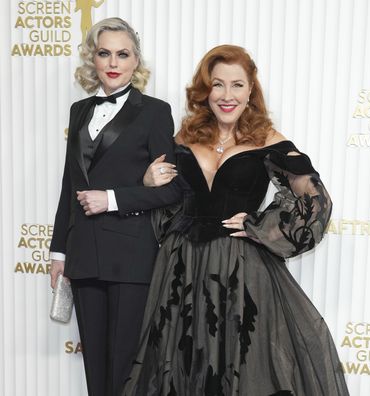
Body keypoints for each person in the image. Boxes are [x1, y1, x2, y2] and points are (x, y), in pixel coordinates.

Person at [123, 45, 349, 395]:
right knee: (180, 368)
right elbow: (167, 203)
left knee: (241, 367)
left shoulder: (270, 141)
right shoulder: (183, 137)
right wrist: (148, 182)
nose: (227, 95)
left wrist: (260, 224)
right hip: (182, 268)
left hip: (240, 271)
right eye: (218, 85)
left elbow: (314, 198)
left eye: (237, 85)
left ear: (250, 92)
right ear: (205, 91)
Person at [49, 17, 181, 396]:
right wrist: (59, 250)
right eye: (104, 53)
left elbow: (172, 191)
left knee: (126, 368)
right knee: (95, 369)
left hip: (131, 255)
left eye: (122, 54)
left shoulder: (155, 111)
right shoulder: (78, 110)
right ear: (93, 58)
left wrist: (112, 199)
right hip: (84, 254)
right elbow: (68, 187)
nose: (113, 62)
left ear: (136, 61)